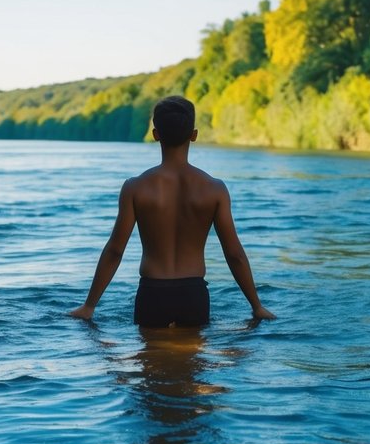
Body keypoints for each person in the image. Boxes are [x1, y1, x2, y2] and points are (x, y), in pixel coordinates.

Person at [69, 96, 275, 326]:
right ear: (194, 135)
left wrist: (89, 306)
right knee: (192, 359)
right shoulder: (215, 189)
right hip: (193, 294)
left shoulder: (135, 187)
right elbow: (234, 253)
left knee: (152, 358)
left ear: (156, 134)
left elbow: (115, 250)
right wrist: (256, 306)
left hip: (152, 293)